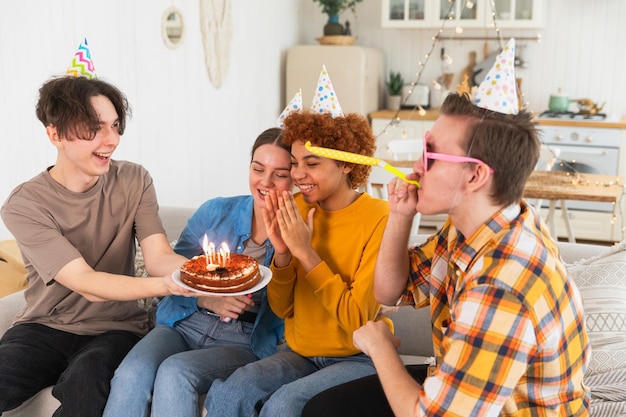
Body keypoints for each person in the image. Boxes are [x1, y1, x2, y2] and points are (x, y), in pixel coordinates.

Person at [301, 88, 591, 416]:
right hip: (456, 383)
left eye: (431, 154)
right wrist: (400, 215)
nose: (416, 166)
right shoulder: (472, 227)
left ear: (475, 175)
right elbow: (389, 290)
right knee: (324, 408)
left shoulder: (501, 286)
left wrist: (381, 348)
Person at [0, 74, 194, 417]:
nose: (112, 139)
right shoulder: (25, 204)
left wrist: (208, 273)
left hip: (116, 328)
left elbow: (159, 257)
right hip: (44, 326)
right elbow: (86, 283)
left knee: (87, 381)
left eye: (115, 126)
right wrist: (167, 287)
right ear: (54, 134)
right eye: (94, 127)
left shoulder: (135, 180)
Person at [204, 108, 392, 417]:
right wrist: (282, 253)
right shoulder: (295, 207)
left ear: (346, 163)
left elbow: (358, 320)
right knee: (233, 390)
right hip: (299, 353)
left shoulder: (378, 217)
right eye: (294, 163)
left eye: (312, 163)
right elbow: (282, 308)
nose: (298, 174)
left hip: (360, 357)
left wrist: (306, 253)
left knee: (284, 405)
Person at [102, 127, 294, 417]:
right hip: (185, 320)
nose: (265, 182)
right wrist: (206, 297)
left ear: (296, 176)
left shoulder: (303, 231)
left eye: (280, 174)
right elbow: (176, 267)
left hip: (243, 338)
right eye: (258, 168)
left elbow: (292, 302)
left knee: (176, 372)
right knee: (131, 372)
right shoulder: (216, 212)